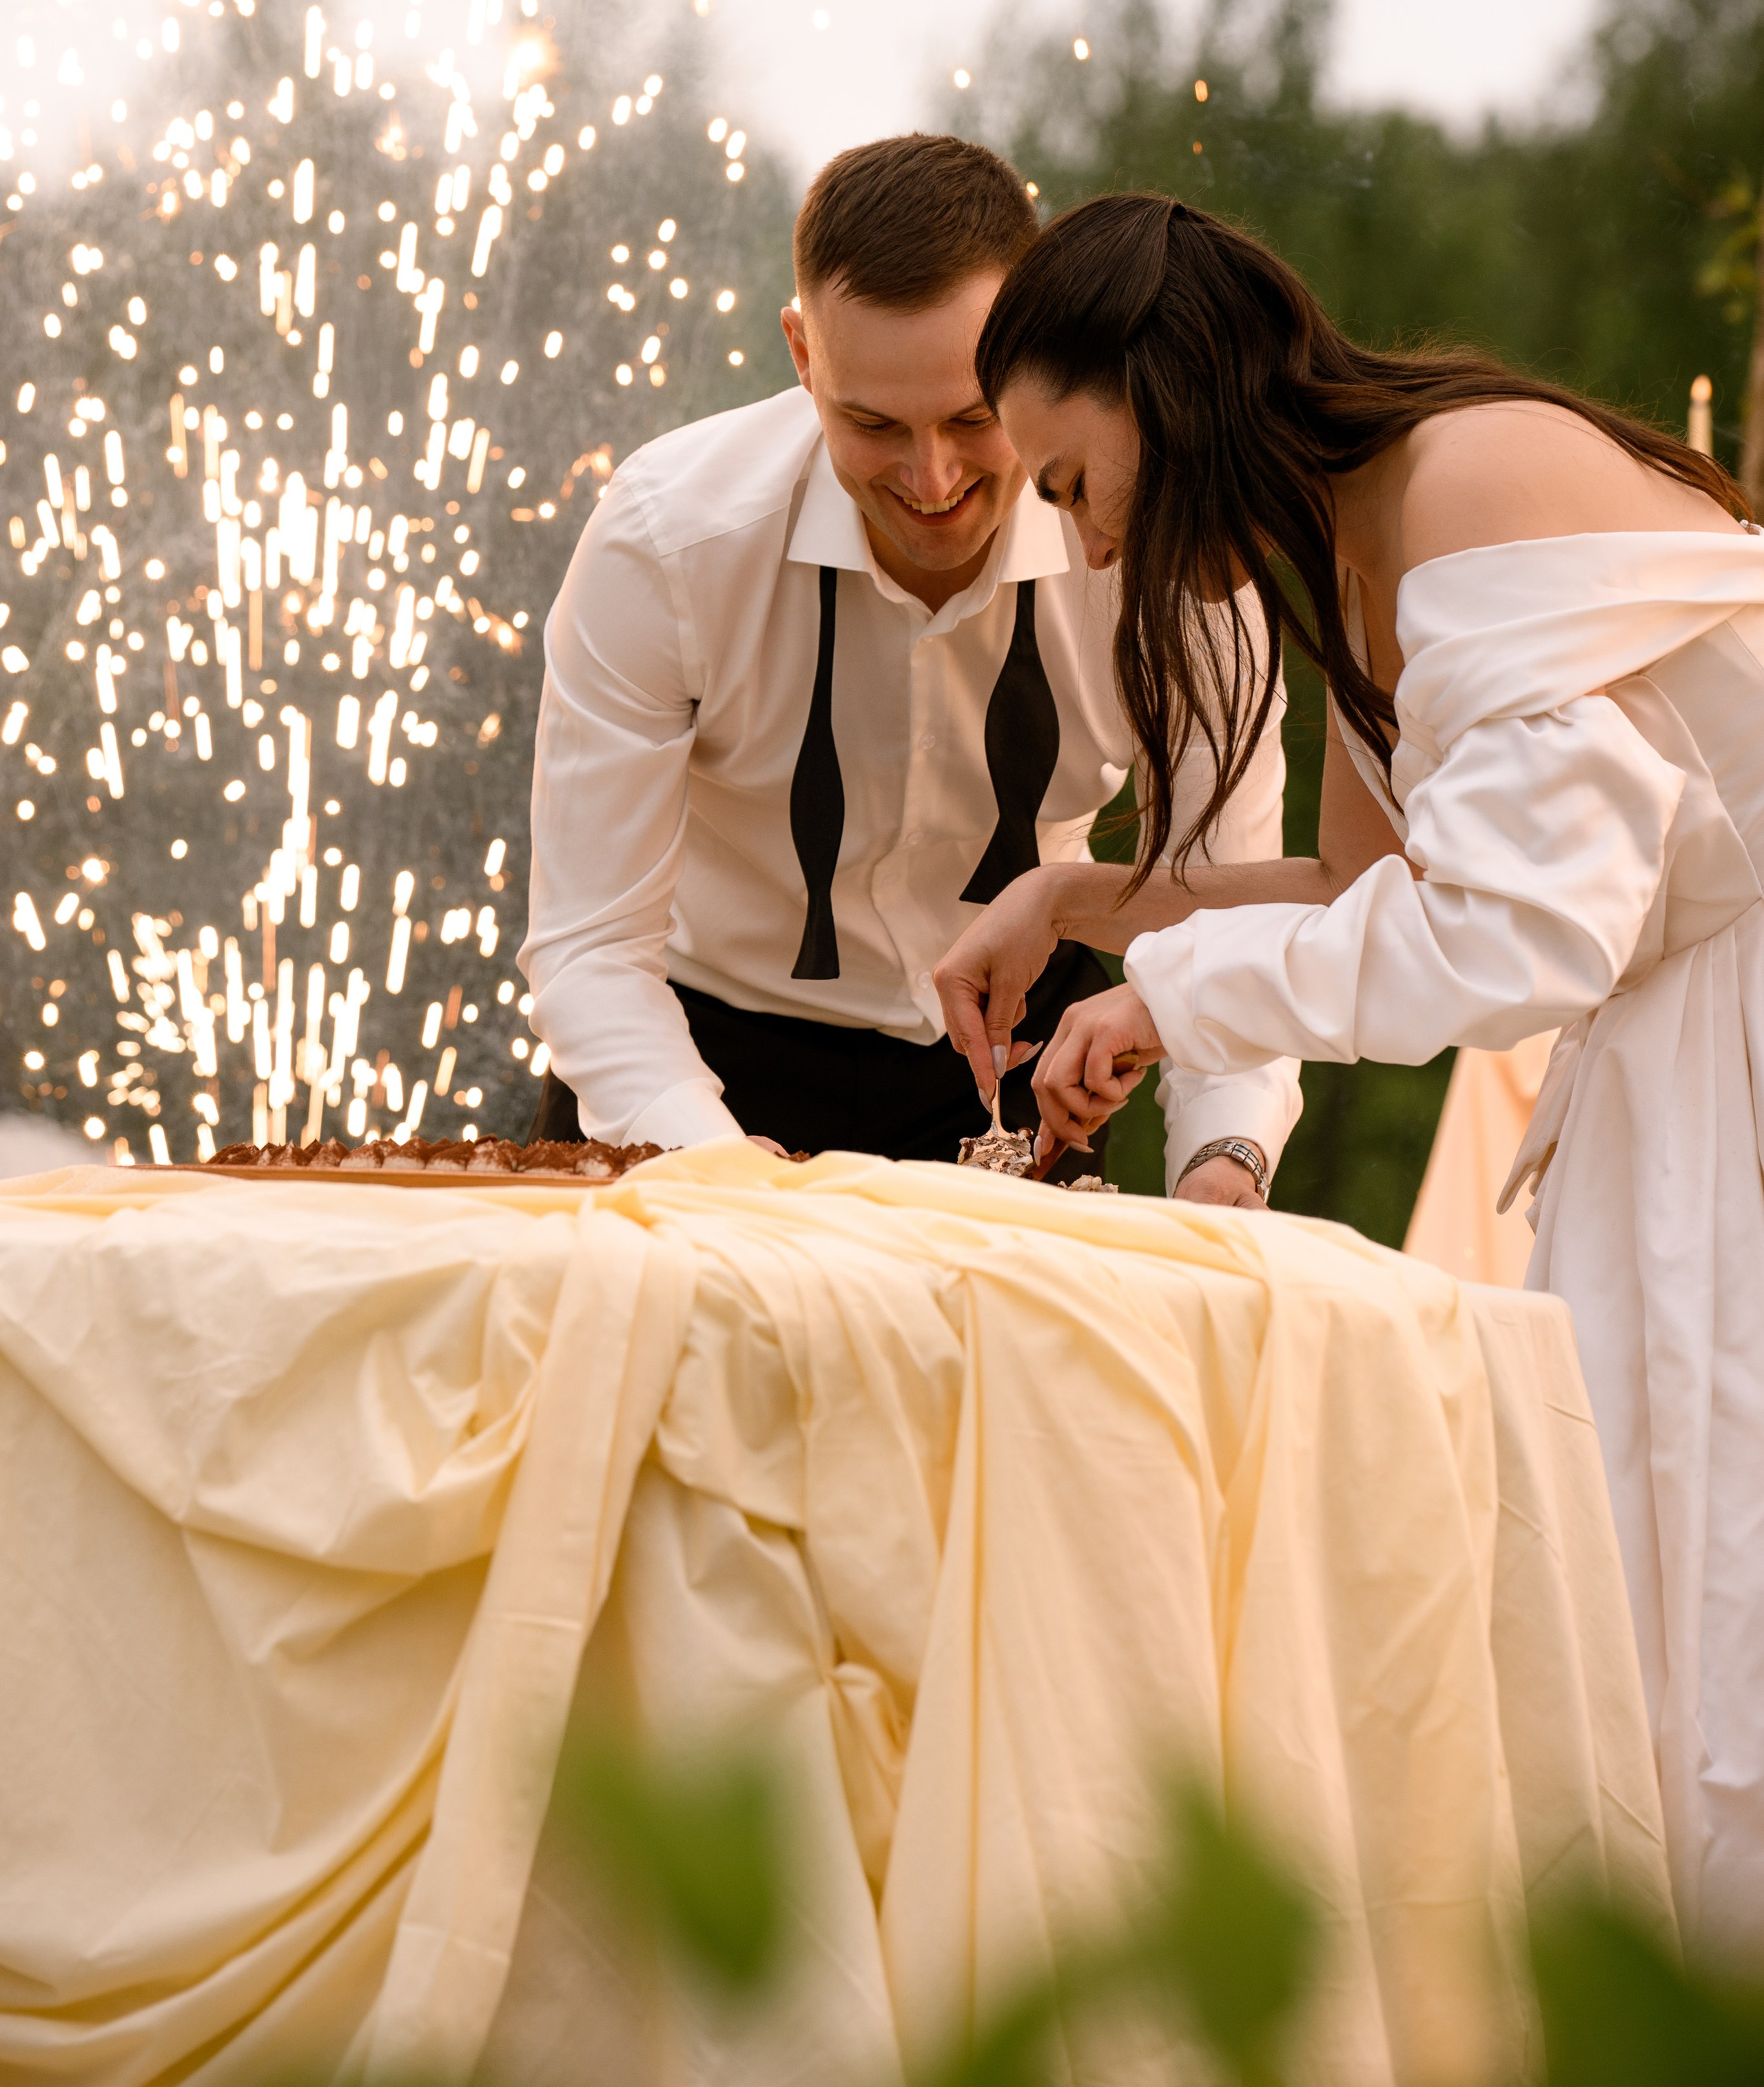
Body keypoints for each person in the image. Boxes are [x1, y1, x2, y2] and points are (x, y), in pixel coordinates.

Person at [934, 187, 1764, 1948]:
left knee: (1702, 1637)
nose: (1079, 555)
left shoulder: (1461, 492)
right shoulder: (1364, 542)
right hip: (1675, 1059)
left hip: (1730, 1056)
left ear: (1159, 391)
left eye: (1071, 484)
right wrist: (1077, 898)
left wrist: (1163, 1002)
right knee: (1629, 1620)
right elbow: (1357, 894)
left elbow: (1520, 937)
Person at [518, 136, 1298, 1192]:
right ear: (802, 355)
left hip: (1022, 1072)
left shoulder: (1171, 553)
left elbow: (1234, 903)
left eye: (974, 419)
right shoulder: (666, 544)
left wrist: (1226, 1151)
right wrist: (707, 1167)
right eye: (872, 423)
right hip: (689, 1068)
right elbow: (590, 948)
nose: (931, 479)